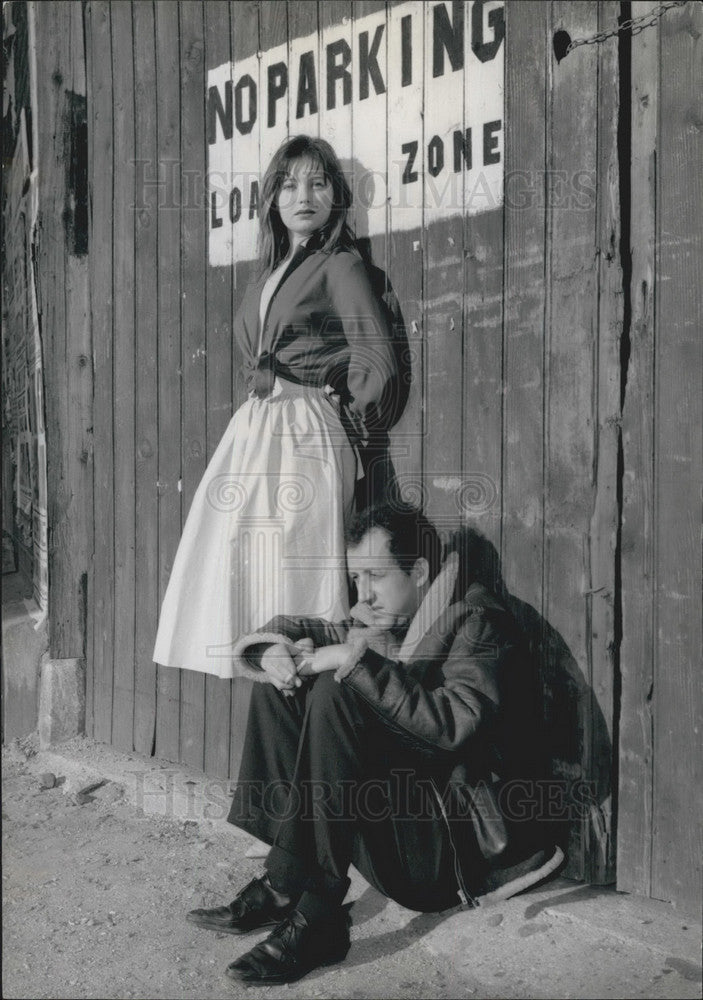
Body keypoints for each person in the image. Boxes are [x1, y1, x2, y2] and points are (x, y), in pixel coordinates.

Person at [186, 501, 564, 985]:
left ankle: (320, 915)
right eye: (356, 578)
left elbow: (456, 724)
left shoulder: (476, 622)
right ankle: (285, 884)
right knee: (284, 682)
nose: (364, 592)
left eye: (375, 576)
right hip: (407, 827)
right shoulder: (389, 618)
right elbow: (304, 628)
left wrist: (354, 657)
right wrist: (276, 648)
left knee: (337, 688)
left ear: (421, 571)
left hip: (448, 854)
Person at [152, 136, 398, 678]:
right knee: (244, 557)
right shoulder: (266, 276)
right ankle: (271, 682)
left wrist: (342, 412)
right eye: (289, 185)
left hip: (304, 430)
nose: (303, 196)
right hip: (257, 429)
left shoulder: (340, 266)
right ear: (272, 199)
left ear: (335, 194)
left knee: (296, 561)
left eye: (317, 183)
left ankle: (311, 695)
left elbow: (376, 358)